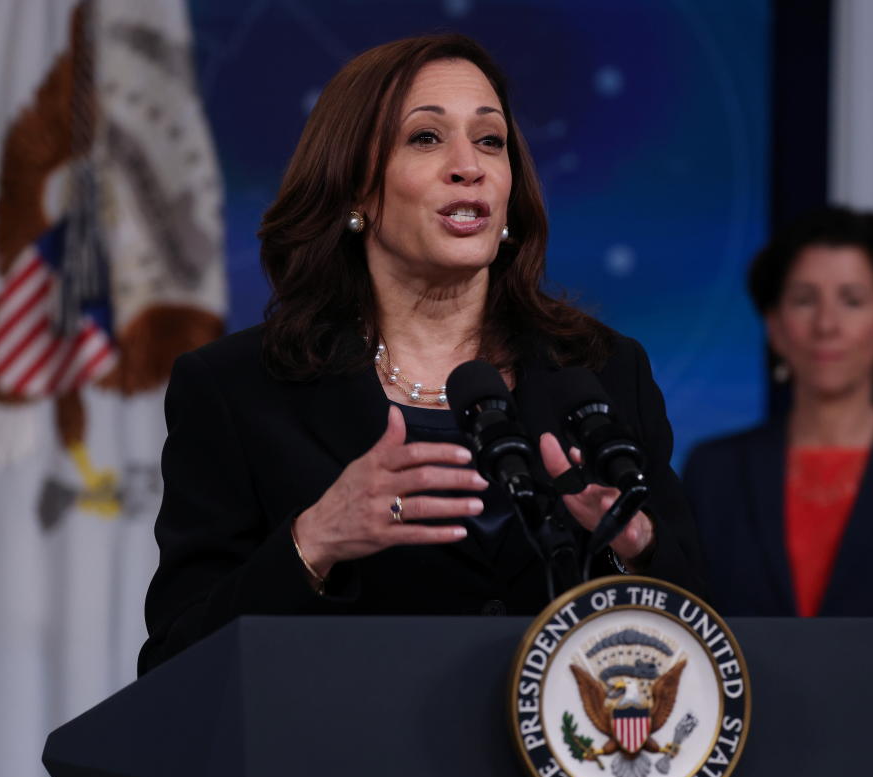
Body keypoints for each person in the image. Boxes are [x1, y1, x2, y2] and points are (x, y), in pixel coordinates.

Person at [138, 34, 702, 675]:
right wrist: (315, 542)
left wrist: (635, 549)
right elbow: (175, 663)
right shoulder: (238, 390)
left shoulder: (601, 369)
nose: (470, 165)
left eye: (491, 141)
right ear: (355, 188)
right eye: (426, 138)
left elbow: (704, 631)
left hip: (559, 769)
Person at [682, 207, 873, 695]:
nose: (826, 324)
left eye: (852, 301)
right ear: (775, 325)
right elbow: (685, 644)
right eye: (804, 300)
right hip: (745, 757)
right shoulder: (714, 471)